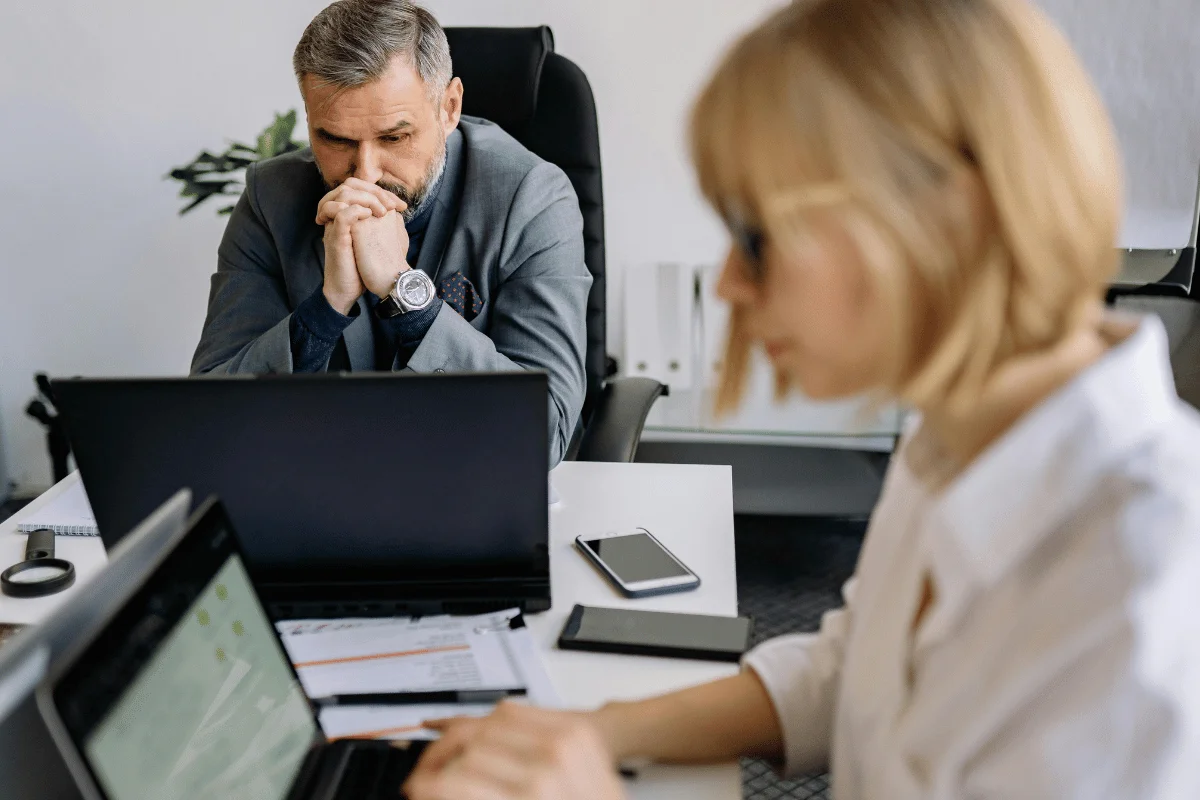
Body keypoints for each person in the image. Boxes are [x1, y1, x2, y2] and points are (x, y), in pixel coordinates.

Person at [402, 0, 1200, 797]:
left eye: (757, 238)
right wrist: (593, 730)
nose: (728, 282)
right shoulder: (964, 428)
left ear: (945, 217)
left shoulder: (1143, 586)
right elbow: (853, 672)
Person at [190, 0, 591, 464]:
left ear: (449, 108)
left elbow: (545, 432)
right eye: (335, 139)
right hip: (318, 489)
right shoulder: (270, 197)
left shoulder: (532, 198)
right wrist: (326, 308)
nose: (365, 174)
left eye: (394, 138)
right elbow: (209, 413)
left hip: (462, 487)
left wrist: (405, 292)